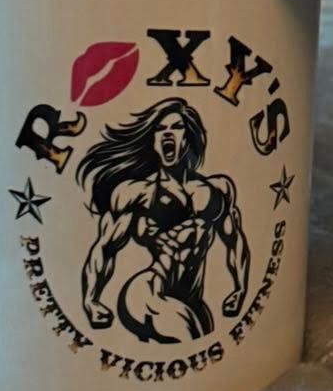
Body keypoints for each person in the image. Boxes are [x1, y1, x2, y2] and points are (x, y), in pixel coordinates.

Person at [77, 101, 249, 345]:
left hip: (191, 300)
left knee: (204, 342)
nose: (168, 133)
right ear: (153, 140)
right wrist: (90, 301)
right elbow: (105, 247)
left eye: (176, 127)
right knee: (189, 339)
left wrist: (240, 288)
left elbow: (235, 240)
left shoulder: (216, 190)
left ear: (187, 137)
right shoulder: (136, 193)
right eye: (160, 129)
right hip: (147, 292)